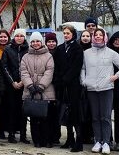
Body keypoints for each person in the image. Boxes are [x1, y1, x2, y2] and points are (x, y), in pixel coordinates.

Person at [81, 28, 119, 155]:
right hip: (91, 88)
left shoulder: (111, 52)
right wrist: (84, 81)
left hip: (106, 89)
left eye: (100, 35)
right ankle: (98, 141)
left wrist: (116, 76)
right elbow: (82, 68)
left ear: (104, 37)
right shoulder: (86, 53)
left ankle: (106, 142)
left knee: (105, 117)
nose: (98, 37)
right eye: (96, 35)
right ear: (93, 37)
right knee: (95, 117)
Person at [20, 31, 56, 148]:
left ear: (41, 42)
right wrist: (30, 85)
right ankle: (37, 140)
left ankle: (47, 140)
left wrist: (41, 86)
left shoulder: (48, 56)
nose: (35, 43)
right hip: (30, 90)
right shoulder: (25, 56)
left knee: (46, 117)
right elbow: (23, 72)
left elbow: (49, 71)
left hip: (45, 90)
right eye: (33, 41)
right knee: (34, 118)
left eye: (38, 41)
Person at [55, 24, 84, 152]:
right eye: (64, 33)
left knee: (75, 112)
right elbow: (56, 65)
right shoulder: (60, 48)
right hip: (62, 86)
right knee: (65, 111)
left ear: (73, 34)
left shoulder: (78, 48)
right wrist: (59, 80)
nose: (66, 35)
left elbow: (76, 66)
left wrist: (66, 78)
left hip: (73, 86)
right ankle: (69, 138)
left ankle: (79, 141)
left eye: (68, 33)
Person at [0, 28, 30, 144]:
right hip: (11, 86)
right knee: (11, 110)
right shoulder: (8, 49)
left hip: (25, 85)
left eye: (21, 36)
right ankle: (11, 134)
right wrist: (13, 82)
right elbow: (4, 67)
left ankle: (23, 135)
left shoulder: (28, 50)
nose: (19, 38)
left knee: (23, 111)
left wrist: (23, 81)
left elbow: (30, 67)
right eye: (17, 36)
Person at [44, 32, 61, 146]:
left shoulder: (59, 52)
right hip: (46, 86)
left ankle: (56, 136)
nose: (51, 44)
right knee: (48, 113)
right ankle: (48, 135)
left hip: (57, 86)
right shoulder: (44, 54)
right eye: (49, 42)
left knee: (56, 113)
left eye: (53, 41)